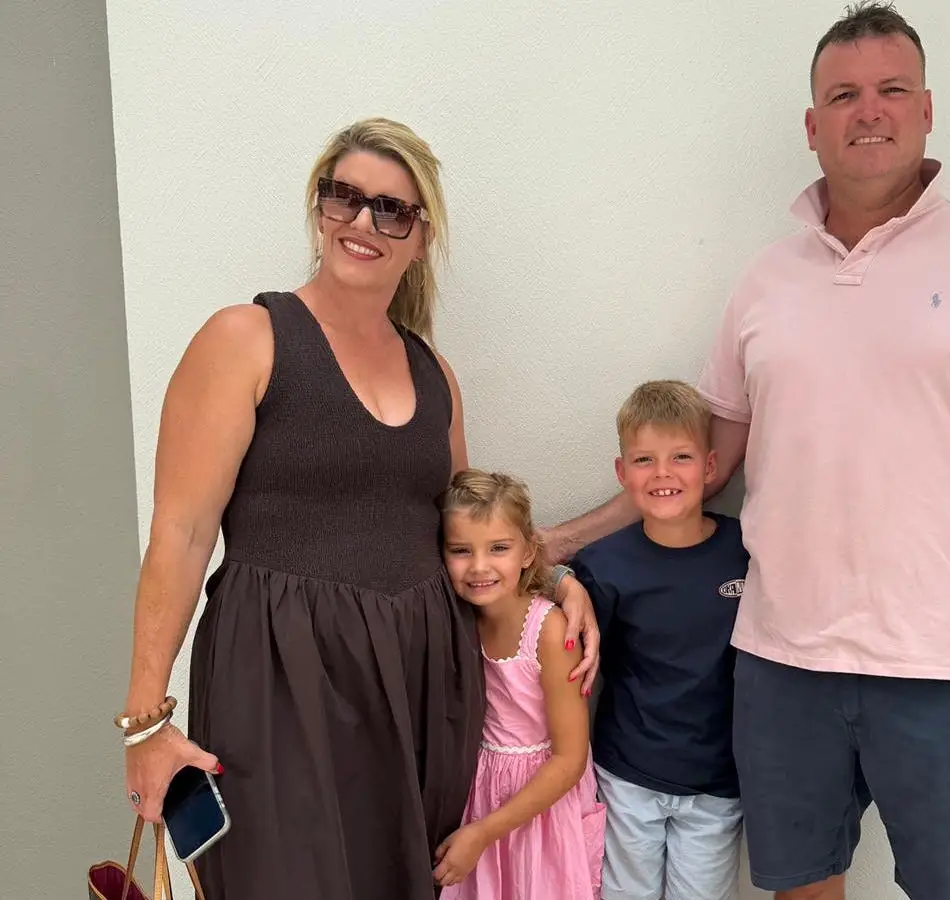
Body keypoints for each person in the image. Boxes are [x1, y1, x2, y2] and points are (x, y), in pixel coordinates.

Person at [545, 4, 950, 899]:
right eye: (843, 95)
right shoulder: (767, 281)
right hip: (781, 664)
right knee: (800, 888)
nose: (869, 111)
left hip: (946, 671)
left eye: (891, 90)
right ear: (813, 127)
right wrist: (563, 544)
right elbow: (705, 465)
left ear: (927, 109)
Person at [116, 117, 600, 900]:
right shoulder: (247, 338)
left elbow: (471, 534)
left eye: (391, 210)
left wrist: (557, 581)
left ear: (420, 235)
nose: (363, 223)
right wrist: (144, 723)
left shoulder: (433, 370)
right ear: (318, 209)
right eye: (342, 198)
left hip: (419, 688)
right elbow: (179, 532)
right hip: (278, 677)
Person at [569, 380, 749, 900]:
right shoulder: (602, 566)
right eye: (644, 459)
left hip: (716, 782)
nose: (663, 473)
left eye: (681, 457)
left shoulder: (745, 551)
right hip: (628, 776)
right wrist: (564, 582)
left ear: (711, 468)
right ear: (622, 473)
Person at [434, 469, 606, 898]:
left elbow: (569, 760)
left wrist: (483, 832)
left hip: (540, 805)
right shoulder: (458, 618)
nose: (478, 567)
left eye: (498, 548)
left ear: (529, 552)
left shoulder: (549, 630)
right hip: (481, 788)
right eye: (460, 550)